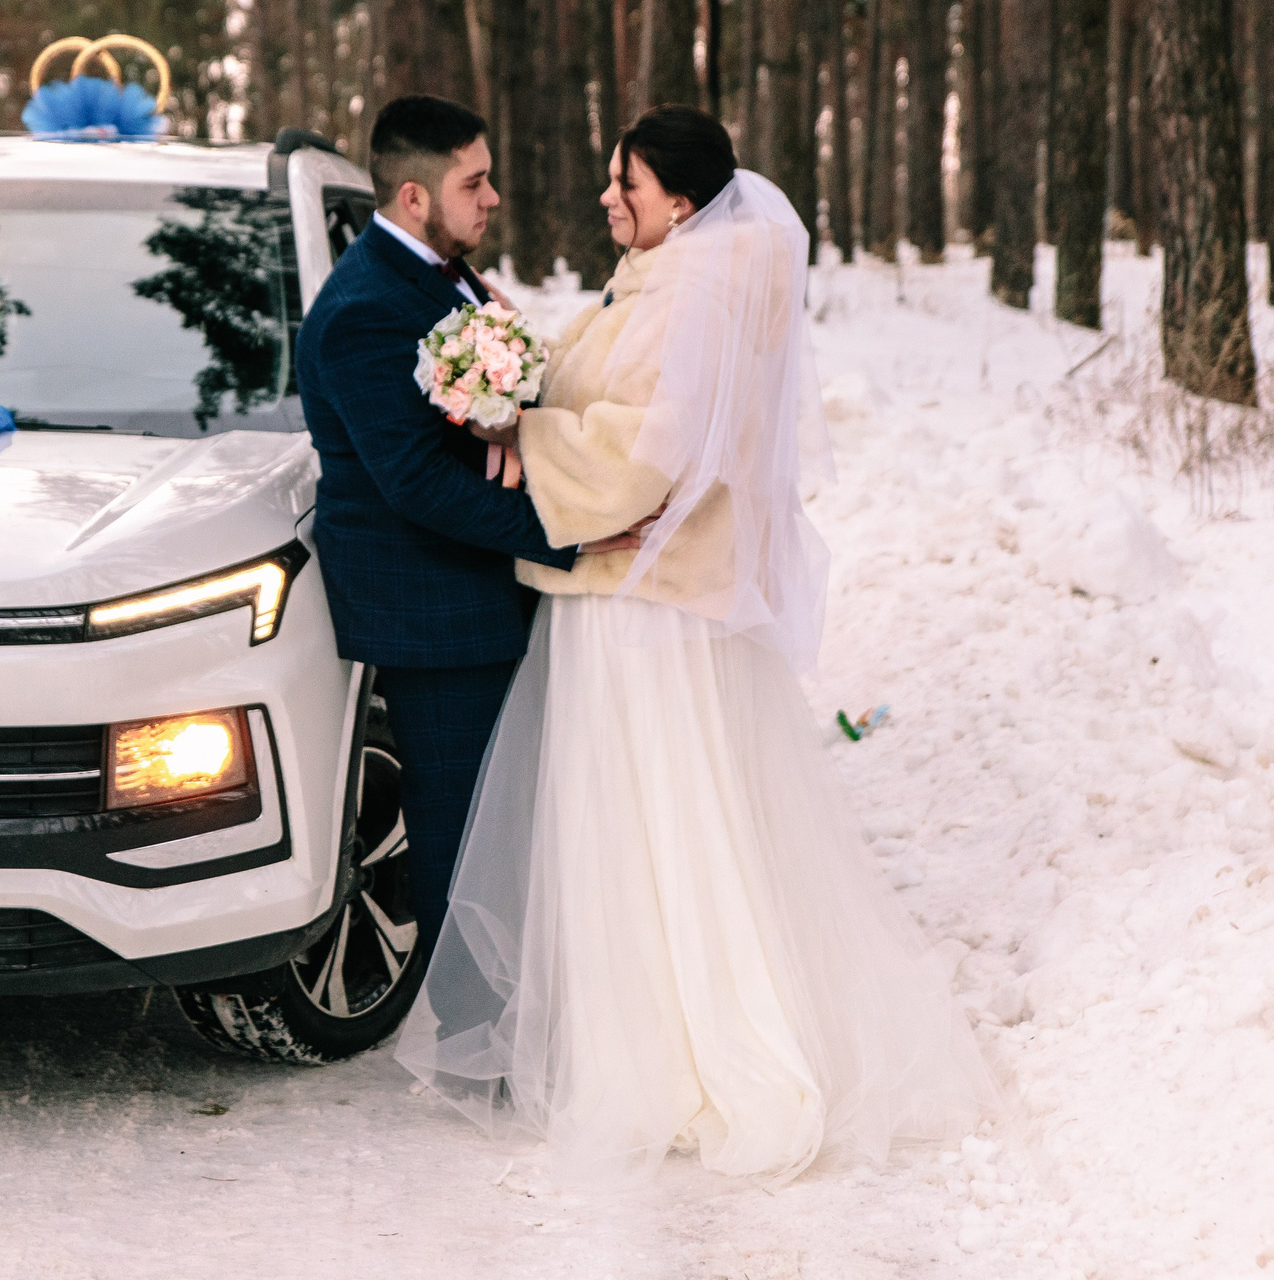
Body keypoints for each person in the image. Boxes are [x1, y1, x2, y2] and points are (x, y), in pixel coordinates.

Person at [395, 104, 1000, 1181]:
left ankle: (684, 1056)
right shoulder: (664, 280)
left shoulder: (693, 293)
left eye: (621, 183)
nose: (604, 198)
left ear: (678, 201)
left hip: (648, 609)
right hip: (638, 595)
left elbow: (649, 453)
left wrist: (520, 442)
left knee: (654, 819)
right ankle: (646, 1035)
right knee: (646, 821)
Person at [294, 94, 631, 952]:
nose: (491, 198)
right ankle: (473, 1039)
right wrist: (571, 530)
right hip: (432, 610)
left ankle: (514, 1013)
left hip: (484, 587)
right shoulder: (365, 307)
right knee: (463, 828)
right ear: (415, 197)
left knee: (509, 820)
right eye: (474, 182)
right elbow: (414, 483)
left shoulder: (443, 278)